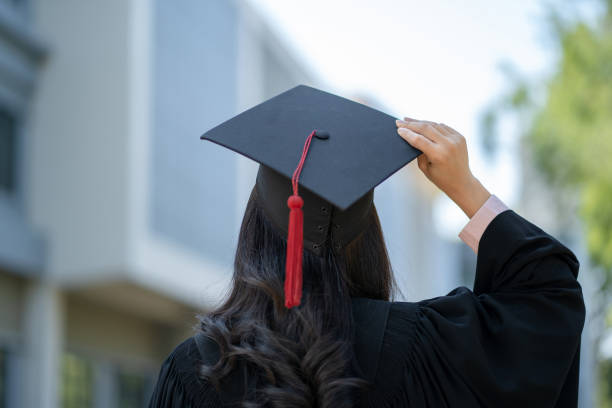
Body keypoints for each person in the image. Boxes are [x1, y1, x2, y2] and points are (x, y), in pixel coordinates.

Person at [148, 86, 585, 408]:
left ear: (256, 232)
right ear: (369, 237)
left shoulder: (196, 371)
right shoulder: (431, 348)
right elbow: (548, 294)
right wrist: (466, 189)